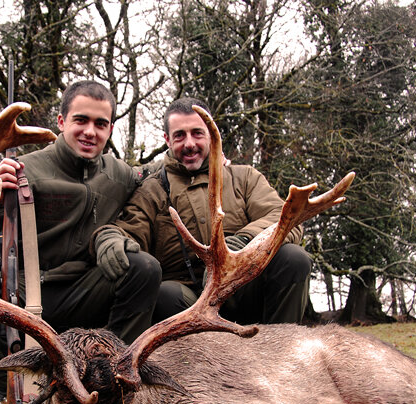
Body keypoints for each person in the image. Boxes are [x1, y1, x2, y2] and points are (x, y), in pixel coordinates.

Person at [0, 81, 161, 404]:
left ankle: (112, 381)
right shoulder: (24, 170)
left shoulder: (120, 175)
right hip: (24, 300)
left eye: (100, 123)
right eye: (81, 120)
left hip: (84, 295)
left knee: (143, 268)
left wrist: (213, 156)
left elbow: (159, 175)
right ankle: (4, 387)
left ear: (110, 129)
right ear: (61, 122)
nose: (90, 131)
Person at [107, 97, 312, 325]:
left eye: (197, 133)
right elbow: (129, 234)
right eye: (179, 136)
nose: (189, 143)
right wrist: (110, 240)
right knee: (166, 294)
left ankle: (281, 354)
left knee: (294, 258)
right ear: (167, 139)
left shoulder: (245, 178)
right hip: (187, 301)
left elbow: (285, 219)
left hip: (243, 289)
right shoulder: (151, 191)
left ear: (213, 134)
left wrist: (243, 242)